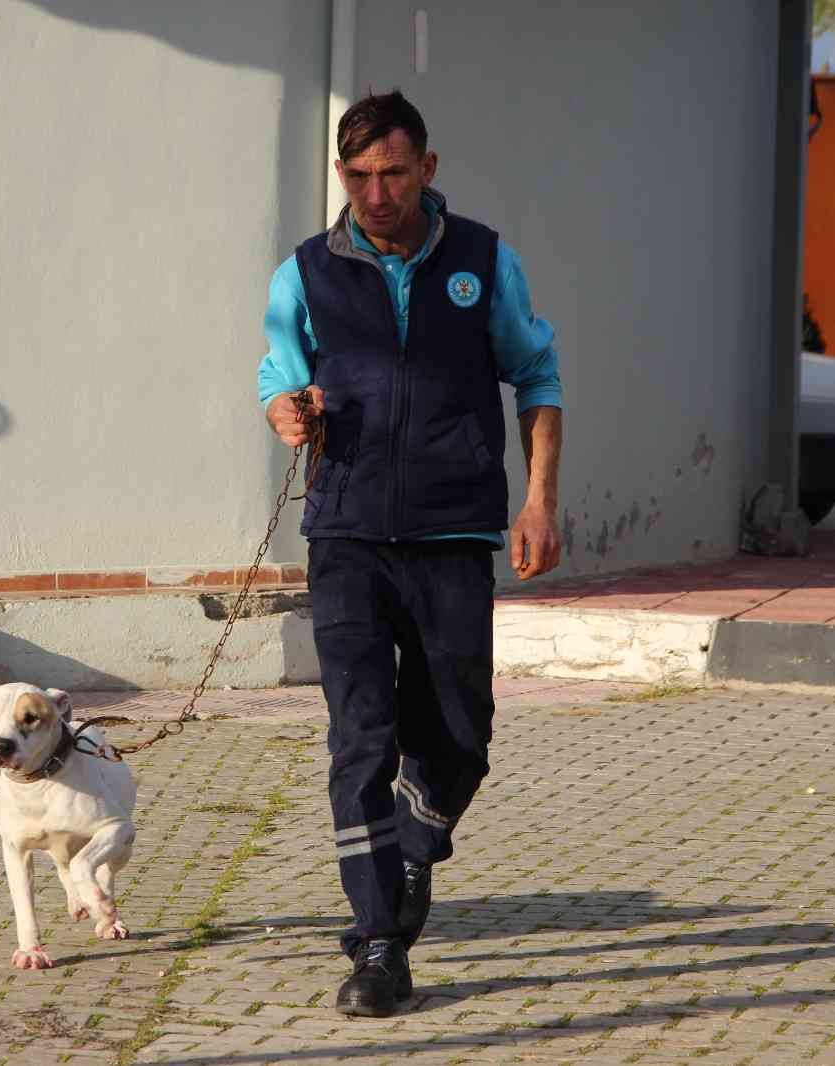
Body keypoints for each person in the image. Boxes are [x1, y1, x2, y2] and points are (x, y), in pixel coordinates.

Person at [257, 90, 564, 1017]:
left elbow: (536, 375)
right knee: (360, 738)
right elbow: (279, 377)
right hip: (346, 534)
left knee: (462, 735)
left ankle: (416, 840)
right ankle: (379, 943)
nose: (376, 193)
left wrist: (540, 500)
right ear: (341, 175)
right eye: (358, 176)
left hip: (453, 531)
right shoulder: (305, 273)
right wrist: (286, 411)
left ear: (427, 169)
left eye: (393, 173)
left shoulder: (483, 260)